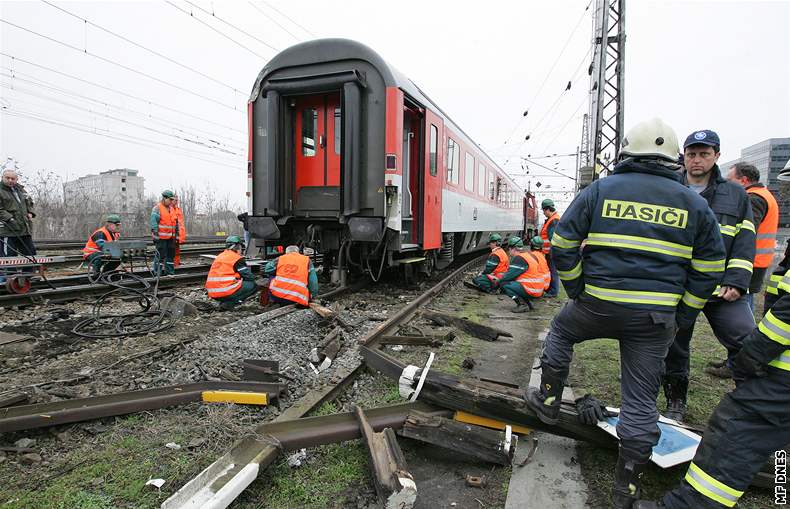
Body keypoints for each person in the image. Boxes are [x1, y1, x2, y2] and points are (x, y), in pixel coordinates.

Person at [523, 118, 725, 509]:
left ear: (626, 152)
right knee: (640, 400)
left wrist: (578, 290)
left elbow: (562, 242)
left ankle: (548, 402)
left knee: (562, 332)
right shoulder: (694, 203)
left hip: (596, 303)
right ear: (674, 159)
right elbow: (709, 268)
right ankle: (625, 491)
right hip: (653, 320)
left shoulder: (601, 189)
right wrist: (683, 313)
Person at [634, 253, 790, 509]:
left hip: (781, 381)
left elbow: (783, 320)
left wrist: (750, 356)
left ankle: (690, 505)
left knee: (738, 428)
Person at [663, 130, 756, 420]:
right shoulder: (668, 189)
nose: (697, 160)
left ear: (717, 155)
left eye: (704, 154)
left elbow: (745, 238)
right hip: (681, 287)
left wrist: (737, 280)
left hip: (721, 289)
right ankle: (675, 400)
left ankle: (752, 402)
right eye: (691, 154)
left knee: (746, 342)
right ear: (684, 157)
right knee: (675, 346)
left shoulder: (735, 193)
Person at [726, 162, 778, 313]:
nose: (727, 184)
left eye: (730, 180)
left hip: (749, 262)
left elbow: (746, 231)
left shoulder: (753, 198)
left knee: (741, 304)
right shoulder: (765, 194)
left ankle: (746, 335)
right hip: (756, 260)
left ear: (743, 180)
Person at [205, 235, 258, 310]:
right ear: (237, 247)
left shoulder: (220, 256)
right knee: (253, 285)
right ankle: (229, 304)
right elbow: (248, 276)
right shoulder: (236, 258)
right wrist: (255, 277)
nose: (241, 250)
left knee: (237, 283)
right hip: (224, 291)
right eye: (241, 247)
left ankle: (224, 301)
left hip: (212, 292)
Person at [496, 236, 547, 312]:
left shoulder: (518, 258)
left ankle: (522, 305)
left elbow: (508, 276)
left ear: (513, 248)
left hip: (532, 289)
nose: (509, 253)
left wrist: (497, 282)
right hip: (539, 289)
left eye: (509, 249)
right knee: (518, 284)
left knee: (504, 284)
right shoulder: (529, 255)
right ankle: (528, 304)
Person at [0, 168, 36, 257]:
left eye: (13, 178)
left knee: (30, 254)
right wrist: (10, 219)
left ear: (17, 179)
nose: (10, 180)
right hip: (7, 230)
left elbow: (29, 202)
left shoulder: (21, 190)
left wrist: (30, 212)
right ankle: (9, 272)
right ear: (2, 177)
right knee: (9, 257)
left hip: (24, 229)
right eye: (7, 178)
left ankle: (29, 271)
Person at [150, 190, 177, 276]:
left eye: (172, 200)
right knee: (160, 256)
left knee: (170, 256)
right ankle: (157, 274)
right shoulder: (157, 208)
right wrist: (156, 236)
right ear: (164, 198)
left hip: (170, 238)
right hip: (161, 238)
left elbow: (175, 223)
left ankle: (170, 273)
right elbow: (154, 224)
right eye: (170, 199)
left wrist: (176, 235)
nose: (171, 201)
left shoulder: (171, 209)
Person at [539, 199, 561, 297]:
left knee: (553, 271)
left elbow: (553, 238)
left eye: (544, 210)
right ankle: (551, 290)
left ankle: (553, 291)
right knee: (551, 270)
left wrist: (552, 251)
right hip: (549, 251)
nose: (543, 213)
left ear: (548, 209)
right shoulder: (552, 219)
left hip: (552, 251)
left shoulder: (554, 220)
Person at [172, 195, 187, 267]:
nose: (176, 201)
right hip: (172, 233)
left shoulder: (178, 209)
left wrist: (181, 235)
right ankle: (173, 264)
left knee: (177, 250)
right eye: (175, 200)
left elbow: (180, 222)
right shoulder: (169, 209)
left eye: (177, 200)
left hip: (178, 233)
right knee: (172, 250)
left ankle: (177, 263)